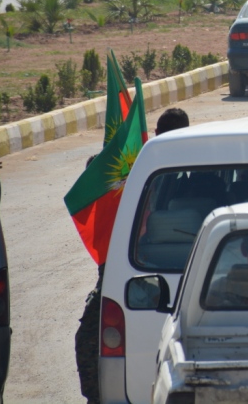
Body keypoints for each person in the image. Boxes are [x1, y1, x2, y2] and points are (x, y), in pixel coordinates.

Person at [75, 107, 189, 403]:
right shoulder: (147, 174)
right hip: (142, 277)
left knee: (91, 340)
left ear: (155, 134)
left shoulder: (146, 172)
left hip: (141, 278)